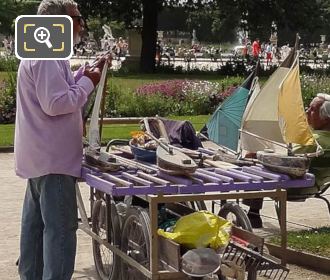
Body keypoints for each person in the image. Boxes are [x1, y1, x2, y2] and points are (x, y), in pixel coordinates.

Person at [14, 1, 109, 279]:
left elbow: (61, 88)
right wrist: (88, 82)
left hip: (41, 157)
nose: (81, 25)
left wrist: (84, 74)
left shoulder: (44, 52)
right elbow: (56, 103)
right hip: (53, 160)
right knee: (60, 231)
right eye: (77, 19)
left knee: (35, 229)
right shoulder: (45, 56)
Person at [244, 94, 330, 228]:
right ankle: (252, 214)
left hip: (292, 186)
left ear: (326, 119)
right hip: (317, 186)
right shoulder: (322, 140)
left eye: (312, 109)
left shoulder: (314, 142)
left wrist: (257, 155)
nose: (307, 111)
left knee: (254, 167)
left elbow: (284, 161)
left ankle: (253, 214)